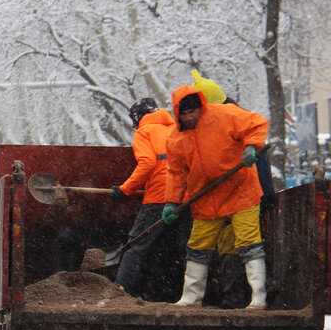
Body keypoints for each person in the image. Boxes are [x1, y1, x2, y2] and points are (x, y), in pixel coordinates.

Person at [162, 84, 270, 308]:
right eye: (185, 114)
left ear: (201, 107)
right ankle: (191, 298)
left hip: (241, 192)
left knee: (249, 243)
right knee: (198, 247)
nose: (190, 117)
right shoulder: (175, 139)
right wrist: (171, 201)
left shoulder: (225, 114)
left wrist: (252, 146)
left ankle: (259, 297)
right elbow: (176, 173)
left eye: (193, 111)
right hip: (206, 200)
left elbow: (257, 122)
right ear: (177, 114)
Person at [189, 70, 277, 308]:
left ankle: (239, 298)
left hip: (243, 197)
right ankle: (237, 298)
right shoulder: (227, 119)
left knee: (239, 246)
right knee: (236, 247)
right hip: (236, 197)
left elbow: (257, 166)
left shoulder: (234, 121)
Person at [111, 97, 188, 301]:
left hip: (159, 197)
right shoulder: (178, 129)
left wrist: (124, 189)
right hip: (186, 196)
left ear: (137, 118)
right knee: (188, 248)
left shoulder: (144, 132)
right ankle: (194, 296)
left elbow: (147, 164)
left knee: (137, 245)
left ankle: (120, 292)